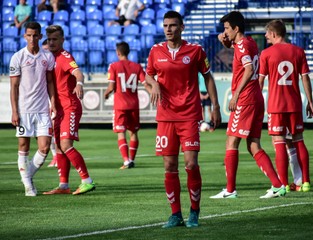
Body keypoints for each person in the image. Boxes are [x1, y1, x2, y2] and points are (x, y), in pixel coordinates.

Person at [145, 11, 221, 228]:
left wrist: (215, 106)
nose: (168, 29)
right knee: (169, 166)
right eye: (165, 25)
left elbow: (208, 76)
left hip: (189, 115)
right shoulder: (155, 51)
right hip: (166, 117)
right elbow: (148, 75)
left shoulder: (195, 50)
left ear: (182, 27)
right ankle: (175, 214)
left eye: (173, 25)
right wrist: (155, 84)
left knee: (191, 163)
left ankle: (194, 212)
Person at [210, 11, 286, 200]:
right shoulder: (250, 42)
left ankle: (230, 189)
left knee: (231, 141)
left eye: (227, 28)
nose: (224, 31)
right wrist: (226, 42)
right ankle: (277, 185)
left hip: (245, 99)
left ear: (236, 28)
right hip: (256, 98)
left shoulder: (243, 45)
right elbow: (241, 53)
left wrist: (235, 95)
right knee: (253, 144)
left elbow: (249, 68)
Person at [258, 19, 313, 192]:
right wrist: (310, 101)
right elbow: (305, 77)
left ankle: (282, 184)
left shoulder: (267, 54)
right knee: (298, 141)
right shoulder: (298, 51)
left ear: (274, 33)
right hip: (295, 104)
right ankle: (305, 182)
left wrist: (257, 103)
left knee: (279, 143)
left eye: (267, 33)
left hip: (276, 105)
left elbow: (260, 81)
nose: (266, 36)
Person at [43, 25, 95, 195]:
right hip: (58, 109)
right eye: (49, 39)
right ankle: (63, 185)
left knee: (65, 144)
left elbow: (78, 72)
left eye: (55, 39)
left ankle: (87, 180)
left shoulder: (65, 57)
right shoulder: (49, 58)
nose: (51, 42)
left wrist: (79, 83)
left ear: (62, 40)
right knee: (58, 147)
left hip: (69, 107)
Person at [9, 21, 56, 197]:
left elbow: (50, 82)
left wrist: (54, 103)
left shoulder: (47, 57)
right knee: (23, 145)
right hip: (24, 110)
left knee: (44, 148)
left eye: (35, 35)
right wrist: (14, 111)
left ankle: (26, 177)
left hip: (43, 109)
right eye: (29, 35)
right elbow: (13, 87)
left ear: (40, 36)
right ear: (24, 36)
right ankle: (28, 186)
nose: (32, 38)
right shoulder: (17, 57)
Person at [104, 41, 146, 169]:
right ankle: (132, 159)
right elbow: (145, 82)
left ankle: (126, 161)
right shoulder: (137, 66)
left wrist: (106, 93)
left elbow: (111, 87)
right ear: (128, 52)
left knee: (120, 132)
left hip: (120, 105)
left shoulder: (114, 66)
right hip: (134, 104)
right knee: (133, 132)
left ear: (118, 52)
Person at [42, 38, 58, 167]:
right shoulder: (41, 63)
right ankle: (55, 156)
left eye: (47, 50)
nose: (46, 52)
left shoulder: (57, 62)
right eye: (44, 50)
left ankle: (58, 156)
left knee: (54, 129)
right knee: (49, 130)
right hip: (43, 99)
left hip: (56, 98)